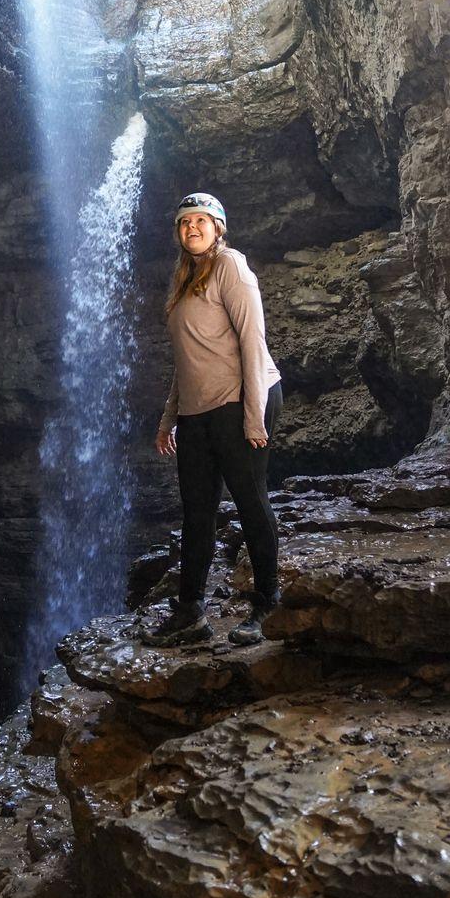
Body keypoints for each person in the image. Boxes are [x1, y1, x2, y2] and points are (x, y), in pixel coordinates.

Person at [148, 191, 283, 647]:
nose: (192, 229)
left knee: (250, 502)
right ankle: (190, 613)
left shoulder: (231, 267)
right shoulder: (183, 280)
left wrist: (254, 414)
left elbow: (252, 341)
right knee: (197, 514)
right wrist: (170, 417)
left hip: (240, 399)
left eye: (201, 221)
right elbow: (186, 360)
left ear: (218, 226)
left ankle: (268, 605)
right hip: (197, 411)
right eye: (184, 223)